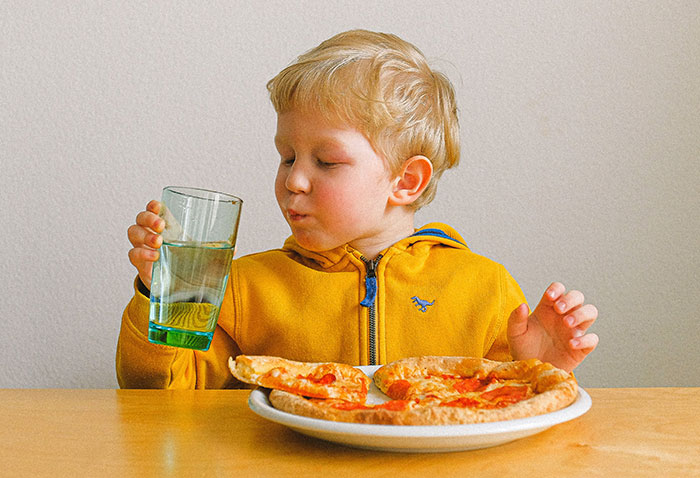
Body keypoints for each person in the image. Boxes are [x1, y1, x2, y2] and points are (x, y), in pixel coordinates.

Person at [117, 29, 598, 389]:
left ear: (405, 181)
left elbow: (504, 409)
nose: (293, 179)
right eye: (286, 156)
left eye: (325, 161)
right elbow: (160, 395)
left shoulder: (485, 290)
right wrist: (162, 292)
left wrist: (540, 370)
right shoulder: (245, 290)